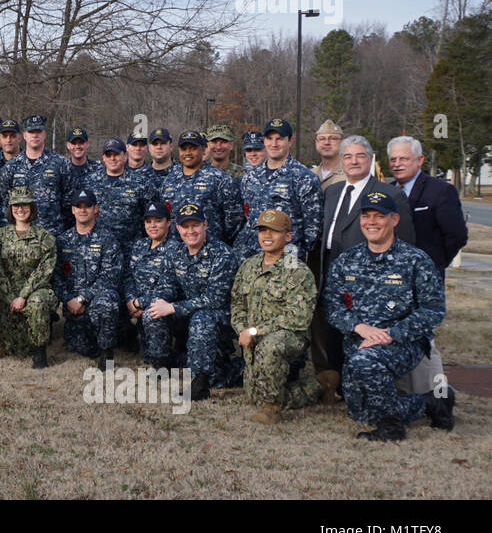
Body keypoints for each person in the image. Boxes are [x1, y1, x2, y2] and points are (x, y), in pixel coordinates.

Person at [325, 190, 454, 441]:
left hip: (403, 343)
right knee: (360, 413)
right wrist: (359, 327)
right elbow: (332, 307)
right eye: (366, 216)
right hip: (359, 342)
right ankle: (432, 402)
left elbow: (433, 310)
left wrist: (390, 335)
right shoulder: (346, 261)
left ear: (394, 220)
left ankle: (391, 429)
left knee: (366, 364)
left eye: (379, 216)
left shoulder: (415, 260)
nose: (371, 222)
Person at [314, 135, 414, 379]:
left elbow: (406, 242)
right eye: (347, 156)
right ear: (341, 161)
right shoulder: (333, 191)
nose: (354, 161)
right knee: (332, 326)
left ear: (370, 160)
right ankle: (335, 380)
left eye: (360, 156)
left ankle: (360, 381)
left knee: (360, 330)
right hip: (329, 267)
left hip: (369, 276)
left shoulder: (389, 194)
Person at [231, 209, 337, 424]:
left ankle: (272, 408)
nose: (266, 236)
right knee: (254, 396)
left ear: (288, 236)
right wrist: (243, 329)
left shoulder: (298, 271)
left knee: (270, 347)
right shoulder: (248, 266)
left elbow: (297, 317)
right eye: (262, 230)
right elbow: (236, 304)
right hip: (253, 337)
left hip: (288, 336)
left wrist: (255, 331)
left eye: (274, 231)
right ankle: (322, 383)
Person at [388, 135, 468, 397]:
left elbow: (456, 236)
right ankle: (406, 390)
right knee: (400, 333)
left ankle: (437, 394)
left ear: (420, 160)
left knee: (424, 337)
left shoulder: (440, 191)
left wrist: (432, 267)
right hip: (393, 280)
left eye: (404, 158)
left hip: (425, 280)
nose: (398, 164)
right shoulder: (388, 191)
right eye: (393, 159)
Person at [147, 203, 241, 400]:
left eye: (195, 225)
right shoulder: (176, 253)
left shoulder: (222, 255)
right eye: (185, 226)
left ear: (205, 225)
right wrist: (159, 301)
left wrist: (173, 307)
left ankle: (200, 384)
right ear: (178, 228)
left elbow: (215, 299)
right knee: (153, 311)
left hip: (218, 317)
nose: (191, 231)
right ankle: (161, 366)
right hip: (186, 313)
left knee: (201, 319)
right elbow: (167, 285)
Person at [232, 118, 322, 260]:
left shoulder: (304, 177)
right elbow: (246, 218)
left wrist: (296, 253)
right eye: (269, 139)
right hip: (251, 256)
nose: (274, 144)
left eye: (279, 139)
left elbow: (312, 228)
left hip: (287, 256)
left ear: (290, 141)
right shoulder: (250, 177)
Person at [0, 187, 57, 368]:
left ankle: (40, 354)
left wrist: (23, 296)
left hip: (36, 291)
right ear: (10, 209)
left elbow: (45, 271)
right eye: (16, 205)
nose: (20, 209)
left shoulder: (46, 238)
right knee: (16, 349)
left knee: (37, 302)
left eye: (25, 205)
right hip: (7, 296)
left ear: (32, 208)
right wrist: (12, 298)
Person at [56, 189, 123, 365]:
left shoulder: (107, 239)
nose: (83, 210)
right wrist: (69, 299)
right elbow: (57, 277)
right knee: (79, 347)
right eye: (78, 206)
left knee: (106, 304)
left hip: (96, 300)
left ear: (96, 209)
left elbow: (111, 275)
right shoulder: (63, 241)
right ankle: (96, 342)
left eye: (87, 206)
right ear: (72, 210)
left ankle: (106, 354)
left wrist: (83, 297)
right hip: (73, 307)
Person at [123, 201, 180, 368]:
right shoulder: (139, 246)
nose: (152, 225)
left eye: (158, 221)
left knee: (152, 313)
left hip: (163, 310)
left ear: (168, 222)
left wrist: (139, 303)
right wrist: (130, 299)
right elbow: (128, 277)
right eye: (148, 221)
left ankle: (161, 364)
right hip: (136, 306)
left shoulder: (176, 249)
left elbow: (169, 288)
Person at [159, 130, 242, 244]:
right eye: (184, 149)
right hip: (176, 251)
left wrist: (219, 242)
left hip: (210, 250)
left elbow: (234, 218)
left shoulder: (219, 178)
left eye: (193, 148)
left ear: (203, 150)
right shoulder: (169, 180)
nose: (188, 153)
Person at [0, 115, 69, 243]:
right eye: (31, 132)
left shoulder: (61, 164)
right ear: (24, 135)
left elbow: (68, 202)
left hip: (52, 236)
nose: (35, 135)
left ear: (45, 134)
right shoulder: (11, 167)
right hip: (21, 238)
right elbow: (6, 200)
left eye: (39, 132)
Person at [85, 138, 152, 253]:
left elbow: (151, 216)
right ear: (103, 157)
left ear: (125, 155)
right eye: (108, 155)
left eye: (116, 154)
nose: (112, 158)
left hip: (131, 250)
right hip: (98, 250)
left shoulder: (141, 183)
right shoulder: (90, 182)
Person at [311, 120, 346, 189]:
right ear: (316, 143)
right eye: (322, 139)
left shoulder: (351, 173)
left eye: (333, 138)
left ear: (342, 142)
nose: (327, 142)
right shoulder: (309, 174)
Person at [64, 127, 96, 196]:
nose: (77, 146)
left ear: (87, 144)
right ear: (68, 145)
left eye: (81, 143)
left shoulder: (98, 169)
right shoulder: (61, 169)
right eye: (74, 143)